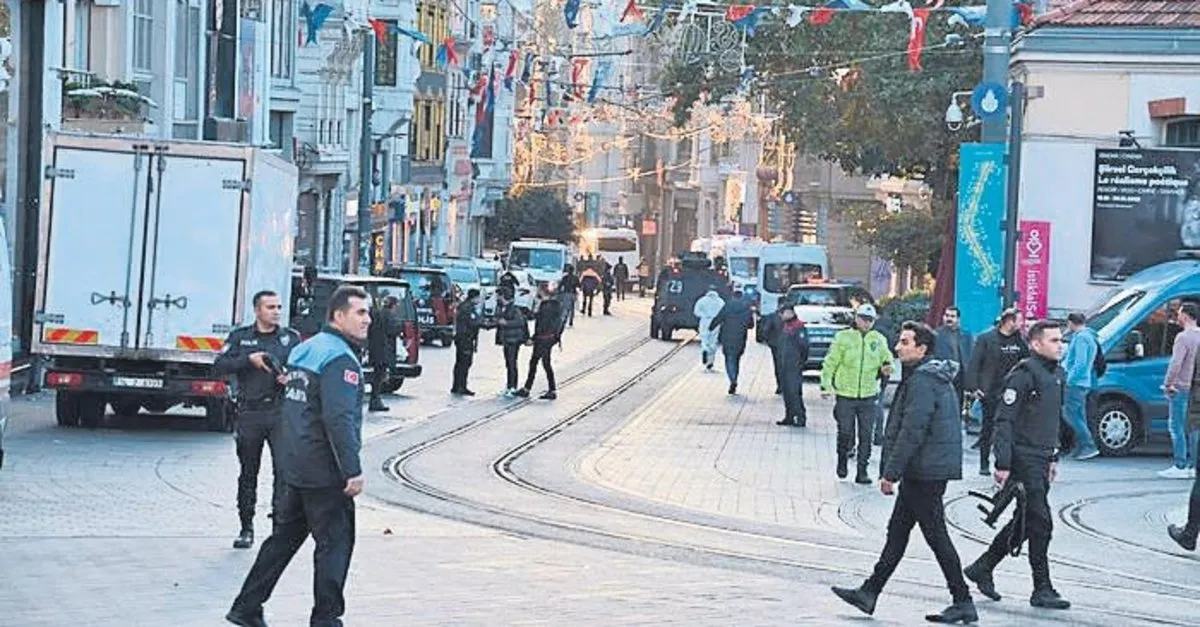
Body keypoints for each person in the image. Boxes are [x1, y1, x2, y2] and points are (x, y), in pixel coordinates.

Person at [226, 285, 371, 627]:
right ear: (338, 316)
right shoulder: (339, 359)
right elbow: (338, 418)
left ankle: (246, 607)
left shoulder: (305, 349)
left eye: (368, 312)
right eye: (360, 312)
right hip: (324, 471)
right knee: (334, 546)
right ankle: (326, 620)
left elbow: (293, 409)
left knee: (283, 540)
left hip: (296, 465)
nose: (368, 319)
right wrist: (351, 469)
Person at [832, 321, 976, 624]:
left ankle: (963, 599)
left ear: (922, 349)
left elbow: (912, 430)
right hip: (925, 469)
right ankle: (869, 592)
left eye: (905, 342)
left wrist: (891, 473)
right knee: (897, 532)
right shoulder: (927, 377)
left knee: (936, 536)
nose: (897, 347)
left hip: (925, 471)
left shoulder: (922, 381)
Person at [963, 320, 1071, 612]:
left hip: (1042, 456)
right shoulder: (1023, 375)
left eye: (1061, 340)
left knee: (1025, 522)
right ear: (1036, 344)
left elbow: (1053, 419)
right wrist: (1003, 463)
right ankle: (1042, 588)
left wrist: (1053, 456)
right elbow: (1005, 421)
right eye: (1053, 340)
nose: (1060, 345)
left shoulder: (1057, 374)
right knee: (1041, 523)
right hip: (1024, 457)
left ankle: (983, 567)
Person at [214, 290, 301, 550]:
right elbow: (219, 365)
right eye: (270, 307)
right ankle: (246, 527)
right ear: (257, 310)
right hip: (250, 413)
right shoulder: (241, 337)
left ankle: (279, 528)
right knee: (248, 472)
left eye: (278, 307)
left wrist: (290, 377)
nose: (276, 312)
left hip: (280, 412)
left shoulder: (290, 338)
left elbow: (304, 370)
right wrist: (247, 360)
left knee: (283, 473)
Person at [820, 303, 895, 484]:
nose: (866, 323)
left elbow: (887, 359)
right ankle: (842, 459)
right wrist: (826, 385)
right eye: (863, 319)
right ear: (856, 318)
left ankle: (862, 471)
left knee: (866, 435)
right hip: (846, 394)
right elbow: (831, 362)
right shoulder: (843, 337)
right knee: (845, 432)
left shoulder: (878, 339)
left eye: (870, 320)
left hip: (868, 395)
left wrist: (887, 367)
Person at [967, 308, 1029, 476]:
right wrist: (974, 387)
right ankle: (984, 462)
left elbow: (1027, 361)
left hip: (1012, 391)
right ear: (1009, 321)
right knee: (988, 427)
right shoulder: (987, 338)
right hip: (990, 390)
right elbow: (975, 362)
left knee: (1009, 428)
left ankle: (1006, 463)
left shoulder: (1019, 340)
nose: (1021, 324)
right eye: (1019, 320)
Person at [1161, 301, 1200, 479]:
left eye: (1179, 313)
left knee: (1176, 426)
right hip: (1196, 387)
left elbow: (1176, 363)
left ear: (1185, 315)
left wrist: (1168, 383)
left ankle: (1180, 464)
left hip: (1181, 386)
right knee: (1193, 427)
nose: (1177, 316)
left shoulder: (1183, 337)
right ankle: (1193, 464)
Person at [1060, 312, 1101, 460]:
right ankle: (1082, 447)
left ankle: (1088, 445)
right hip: (1084, 382)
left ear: (1071, 322)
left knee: (1070, 414)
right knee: (1079, 415)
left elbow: (1080, 363)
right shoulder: (1090, 336)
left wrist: (1070, 380)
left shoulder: (1081, 338)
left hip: (1076, 383)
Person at [521, 284, 562, 400]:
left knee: (541, 363)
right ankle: (530, 388)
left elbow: (542, 325)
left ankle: (547, 389)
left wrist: (533, 338)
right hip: (547, 338)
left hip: (543, 339)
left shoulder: (547, 307)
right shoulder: (553, 305)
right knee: (540, 363)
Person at [934, 305, 974, 424]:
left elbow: (970, 355)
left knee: (958, 404)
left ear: (958, 319)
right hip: (943, 375)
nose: (949, 319)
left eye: (952, 316)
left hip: (960, 377)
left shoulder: (966, 335)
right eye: (947, 315)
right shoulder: (936, 334)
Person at [710, 290, 755, 395]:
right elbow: (751, 325)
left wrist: (711, 327)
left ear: (733, 296)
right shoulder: (746, 308)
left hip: (727, 336)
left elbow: (719, 317)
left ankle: (732, 379)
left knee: (729, 359)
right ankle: (734, 378)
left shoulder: (728, 306)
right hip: (740, 337)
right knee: (736, 359)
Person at [365, 295, 403, 412]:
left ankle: (375, 400)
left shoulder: (376, 314)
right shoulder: (389, 315)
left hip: (375, 348)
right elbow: (393, 330)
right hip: (384, 350)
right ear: (393, 305)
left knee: (377, 375)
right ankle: (375, 400)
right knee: (379, 376)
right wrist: (400, 326)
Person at [776, 305, 809, 427]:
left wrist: (800, 361)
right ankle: (789, 416)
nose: (781, 316)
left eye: (783, 313)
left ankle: (801, 417)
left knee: (794, 392)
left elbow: (804, 347)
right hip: (784, 364)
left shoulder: (798, 327)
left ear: (790, 313)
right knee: (787, 392)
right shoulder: (786, 326)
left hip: (794, 365)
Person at [496, 287, 530, 397]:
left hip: (513, 340)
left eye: (499, 295)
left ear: (503, 296)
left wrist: (506, 323)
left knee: (511, 363)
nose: (497, 298)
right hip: (507, 339)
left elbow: (519, 322)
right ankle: (509, 386)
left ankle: (512, 387)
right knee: (509, 363)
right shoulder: (503, 308)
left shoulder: (514, 309)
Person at [452, 289, 482, 396]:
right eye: (478, 297)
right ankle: (461, 386)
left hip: (463, 338)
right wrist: (486, 324)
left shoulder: (465, 306)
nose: (479, 300)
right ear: (474, 297)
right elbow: (473, 322)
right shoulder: (467, 308)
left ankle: (457, 386)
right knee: (464, 363)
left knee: (460, 363)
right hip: (465, 338)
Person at [759, 300, 789, 395]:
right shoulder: (791, 317)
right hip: (787, 345)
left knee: (778, 366)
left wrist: (769, 341)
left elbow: (765, 330)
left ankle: (780, 385)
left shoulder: (772, 316)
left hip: (776, 345)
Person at [693, 287, 725, 370]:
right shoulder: (720, 301)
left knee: (704, 338)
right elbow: (723, 312)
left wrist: (704, 315)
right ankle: (710, 362)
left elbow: (696, 312)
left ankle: (705, 349)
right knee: (713, 341)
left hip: (704, 322)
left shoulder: (701, 300)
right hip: (715, 322)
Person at [558, 264, 580, 329]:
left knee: (565, 308)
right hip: (573, 294)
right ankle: (570, 322)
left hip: (566, 293)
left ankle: (564, 321)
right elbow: (579, 285)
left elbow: (560, 286)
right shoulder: (575, 278)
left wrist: (559, 292)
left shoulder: (565, 278)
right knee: (572, 309)